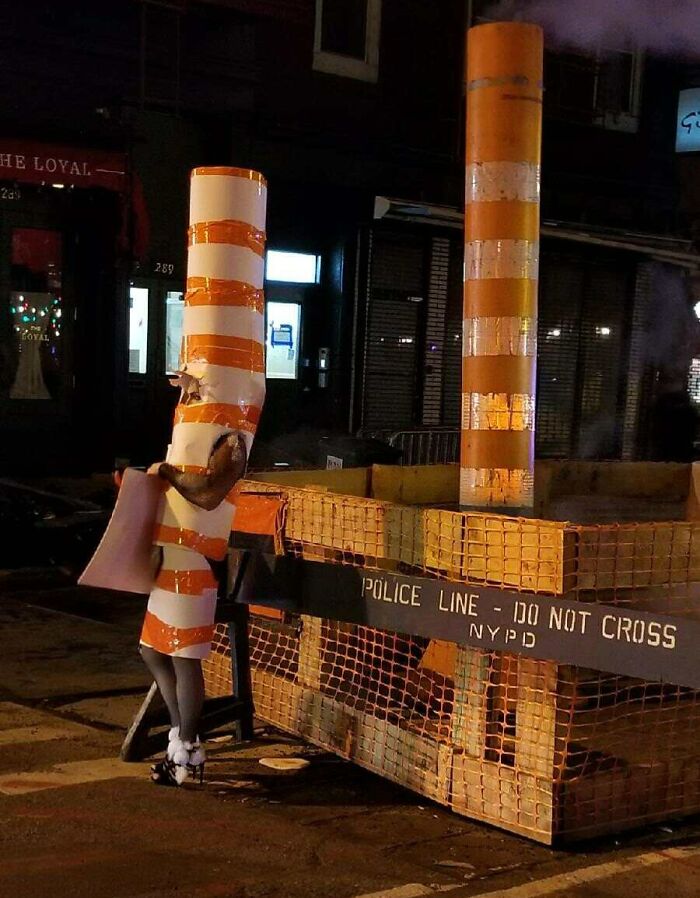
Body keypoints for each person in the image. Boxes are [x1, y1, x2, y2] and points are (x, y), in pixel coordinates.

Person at [141, 432, 247, 786]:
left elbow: (207, 494)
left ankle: (185, 749)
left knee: (183, 656)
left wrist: (168, 473)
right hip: (174, 555)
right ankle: (180, 736)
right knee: (153, 650)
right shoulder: (193, 436)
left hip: (196, 561)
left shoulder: (231, 437)